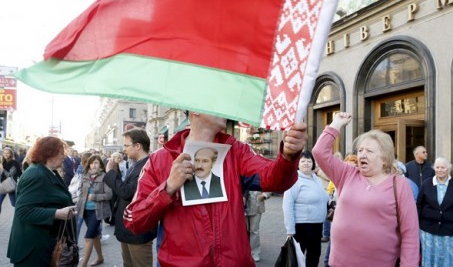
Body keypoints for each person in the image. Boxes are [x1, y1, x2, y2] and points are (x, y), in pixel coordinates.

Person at [123, 111, 307, 266]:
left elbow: (275, 180)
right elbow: (135, 221)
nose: (224, 108)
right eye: (216, 101)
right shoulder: (160, 160)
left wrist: (288, 157)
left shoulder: (236, 151)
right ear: (195, 110)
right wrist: (168, 187)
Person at [312, 112, 419, 266]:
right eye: (360, 150)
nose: (362, 154)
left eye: (369, 151)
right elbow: (319, 152)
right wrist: (336, 124)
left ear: (384, 158)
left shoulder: (399, 185)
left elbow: (410, 233)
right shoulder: (346, 174)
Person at [7, 136, 76, 266]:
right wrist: (57, 213)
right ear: (50, 153)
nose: (64, 157)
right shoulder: (36, 174)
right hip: (33, 250)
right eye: (62, 153)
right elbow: (23, 211)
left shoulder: (48, 172)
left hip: (43, 245)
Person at [103, 128, 157, 267]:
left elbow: (127, 192)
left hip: (138, 230)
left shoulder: (147, 165)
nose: (124, 149)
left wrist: (110, 172)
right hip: (128, 228)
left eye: (126, 145)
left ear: (138, 146)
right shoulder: (136, 164)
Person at [417, 157, 453, 266]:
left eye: (443, 167)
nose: (440, 170)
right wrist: (417, 222)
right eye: (437, 167)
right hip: (428, 231)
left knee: (450, 261)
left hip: (451, 229)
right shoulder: (427, 184)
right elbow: (419, 204)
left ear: (448, 169)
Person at [283, 150, 329, 267]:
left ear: (313, 163)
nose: (306, 163)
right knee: (299, 258)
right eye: (302, 161)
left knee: (314, 256)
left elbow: (324, 198)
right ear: (297, 164)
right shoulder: (294, 180)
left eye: (309, 161)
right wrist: (290, 230)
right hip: (301, 226)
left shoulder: (317, 179)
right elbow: (287, 205)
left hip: (317, 226)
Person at [76, 155, 112, 267]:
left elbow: (109, 195)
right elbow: (81, 193)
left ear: (100, 164)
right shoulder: (84, 176)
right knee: (95, 234)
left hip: (97, 211)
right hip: (85, 210)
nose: (93, 165)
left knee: (88, 237)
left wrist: (95, 197)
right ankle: (100, 257)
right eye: (91, 163)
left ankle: (83, 264)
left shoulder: (104, 177)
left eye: (96, 163)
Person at [244, 190, 271, 262]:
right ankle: (244, 252)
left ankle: (255, 253)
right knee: (243, 231)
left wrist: (265, 194)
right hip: (242, 205)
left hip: (256, 205)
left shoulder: (259, 177)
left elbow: (269, 185)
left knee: (254, 231)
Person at [0, 147, 22, 214]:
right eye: (4, 153)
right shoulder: (3, 162)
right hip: (3, 185)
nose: (5, 154)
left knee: (14, 203)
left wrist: (2, 169)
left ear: (11, 154)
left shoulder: (14, 163)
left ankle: (23, 211)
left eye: (7, 153)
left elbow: (9, 175)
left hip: (10, 185)